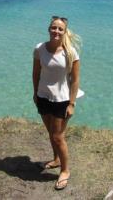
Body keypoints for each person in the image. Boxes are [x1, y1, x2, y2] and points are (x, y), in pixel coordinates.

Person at [32, 16, 82, 191]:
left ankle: (65, 171)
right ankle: (56, 160)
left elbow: (75, 81)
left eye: (60, 29)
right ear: (49, 29)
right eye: (54, 28)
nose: (56, 31)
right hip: (43, 96)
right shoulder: (39, 49)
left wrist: (72, 103)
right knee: (50, 132)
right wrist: (35, 93)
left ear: (65, 32)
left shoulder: (70, 52)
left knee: (58, 136)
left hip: (62, 100)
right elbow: (36, 73)